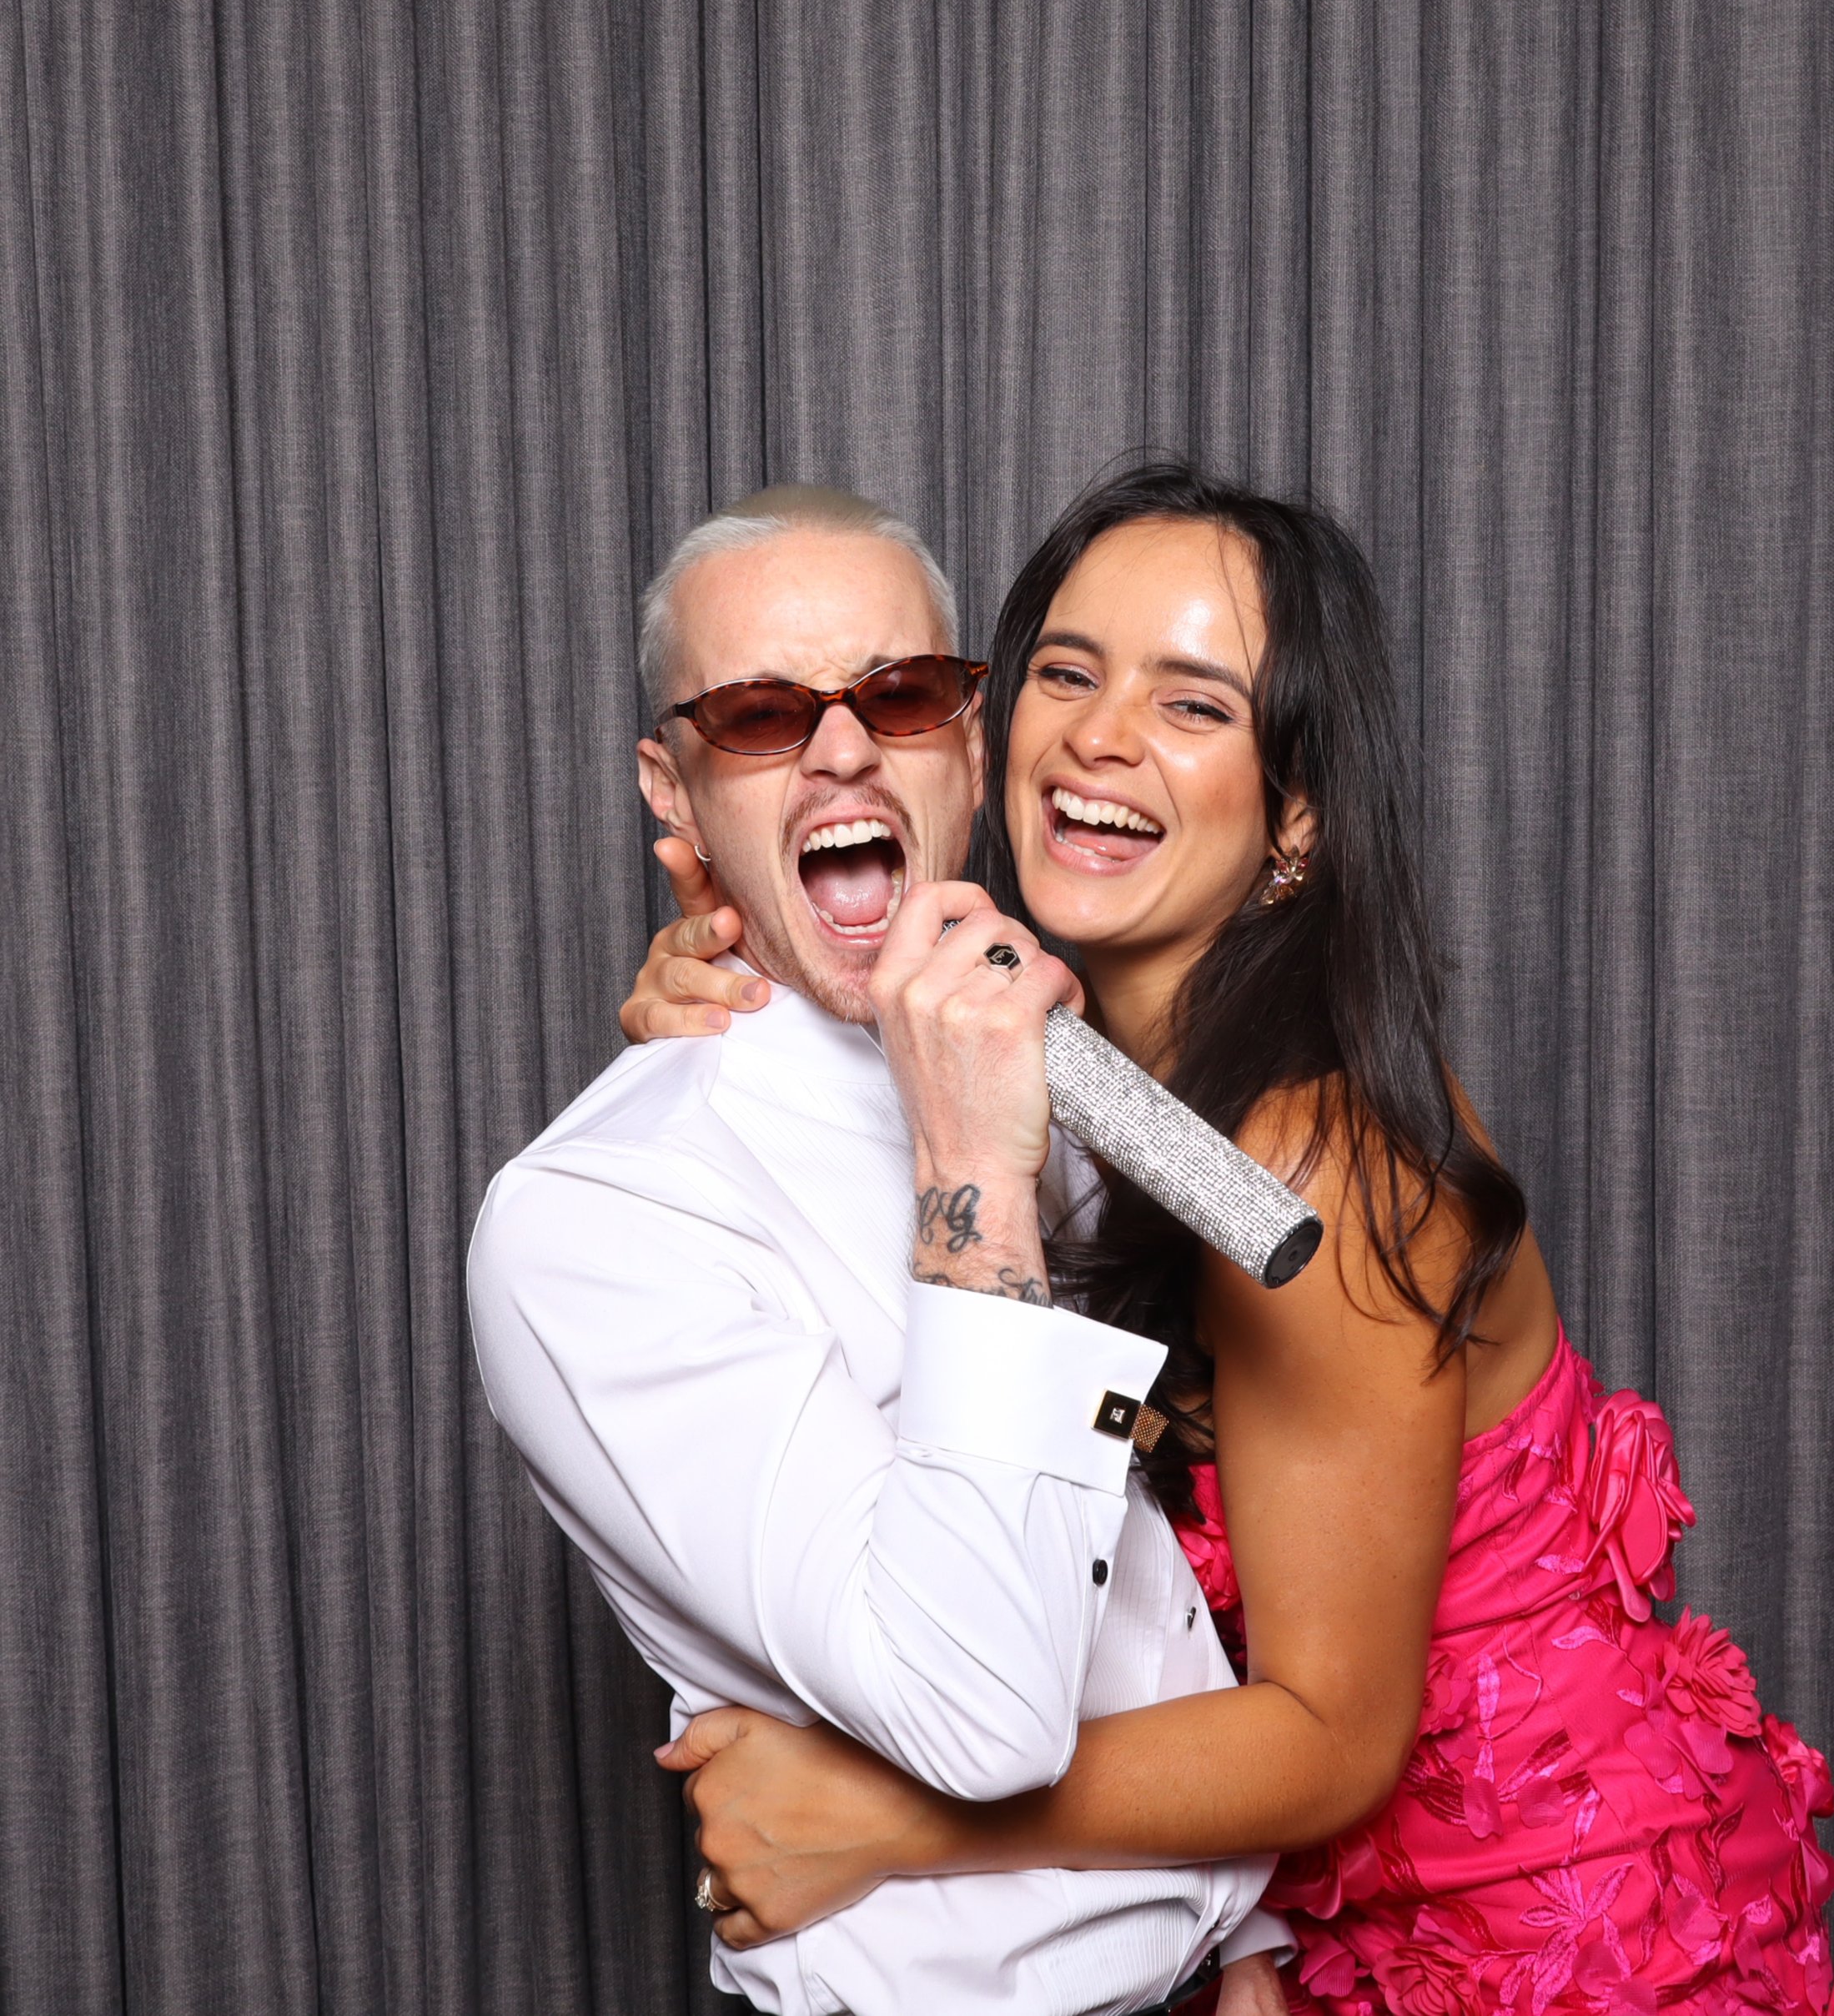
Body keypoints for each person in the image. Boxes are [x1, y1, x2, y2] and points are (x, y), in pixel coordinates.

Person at [627, 464, 1834, 2016]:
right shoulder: (1071, 1070)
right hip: (1310, 1931)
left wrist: (882, 1819)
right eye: (1069, 675)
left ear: (1295, 815)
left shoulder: (1312, 1167)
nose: (1100, 734)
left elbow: (1330, 1738)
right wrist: (724, 962)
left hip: (1544, 1944)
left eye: (1194, 704)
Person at [467, 485, 1290, 2016]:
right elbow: (980, 1717)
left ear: (965, 751)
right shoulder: (593, 1225)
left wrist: (1248, 1938)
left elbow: (1156, 1538)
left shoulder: (1071, 1060)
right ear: (674, 789)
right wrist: (974, 1169)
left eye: (900, 696)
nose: (844, 749)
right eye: (765, 714)